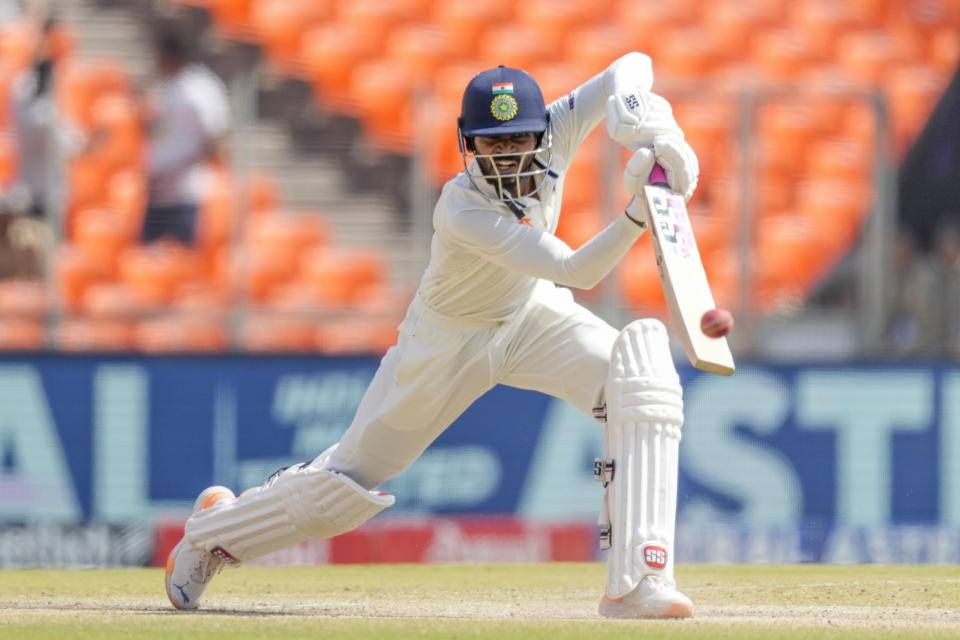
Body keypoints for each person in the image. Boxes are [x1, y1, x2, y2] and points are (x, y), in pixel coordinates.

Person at [164, 53, 700, 619]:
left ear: (542, 131)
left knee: (640, 374)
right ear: (469, 146)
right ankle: (211, 533)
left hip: (528, 314)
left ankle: (641, 580)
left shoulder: (559, 126)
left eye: (518, 139)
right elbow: (577, 271)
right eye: (492, 144)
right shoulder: (462, 207)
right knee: (342, 492)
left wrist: (650, 124)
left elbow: (632, 63)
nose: (507, 154)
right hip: (446, 344)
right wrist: (638, 214)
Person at [140, 24, 229, 246]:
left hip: (186, 194)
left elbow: (215, 140)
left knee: (181, 266)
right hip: (157, 195)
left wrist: (173, 170)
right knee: (146, 266)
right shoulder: (165, 87)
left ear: (167, 54)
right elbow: (156, 132)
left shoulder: (199, 87)